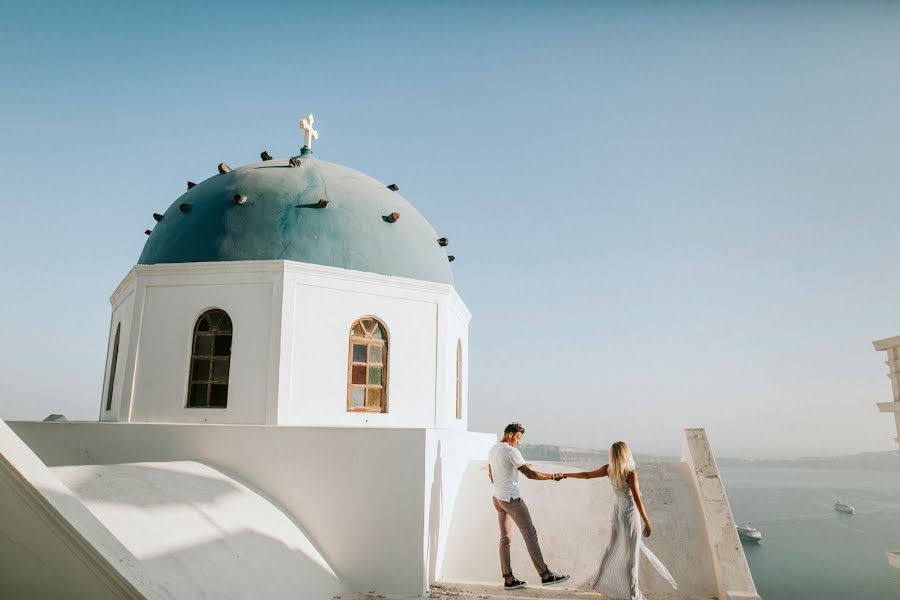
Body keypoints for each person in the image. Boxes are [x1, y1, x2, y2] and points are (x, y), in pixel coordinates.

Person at [558, 441, 676, 600]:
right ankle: (633, 595)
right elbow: (636, 499)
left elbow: (586, 475)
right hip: (628, 512)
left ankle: (599, 582)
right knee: (631, 555)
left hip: (617, 512)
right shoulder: (630, 472)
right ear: (626, 453)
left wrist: (565, 474)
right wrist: (646, 520)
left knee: (612, 547)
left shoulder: (608, 469)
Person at [488, 422, 569, 591]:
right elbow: (531, 475)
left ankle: (508, 579)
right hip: (511, 499)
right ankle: (546, 575)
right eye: (518, 437)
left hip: (497, 498)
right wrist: (553, 476)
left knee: (505, 538)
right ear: (509, 434)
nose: (519, 441)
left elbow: (491, 474)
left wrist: (502, 486)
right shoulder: (511, 451)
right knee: (530, 534)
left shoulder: (493, 449)